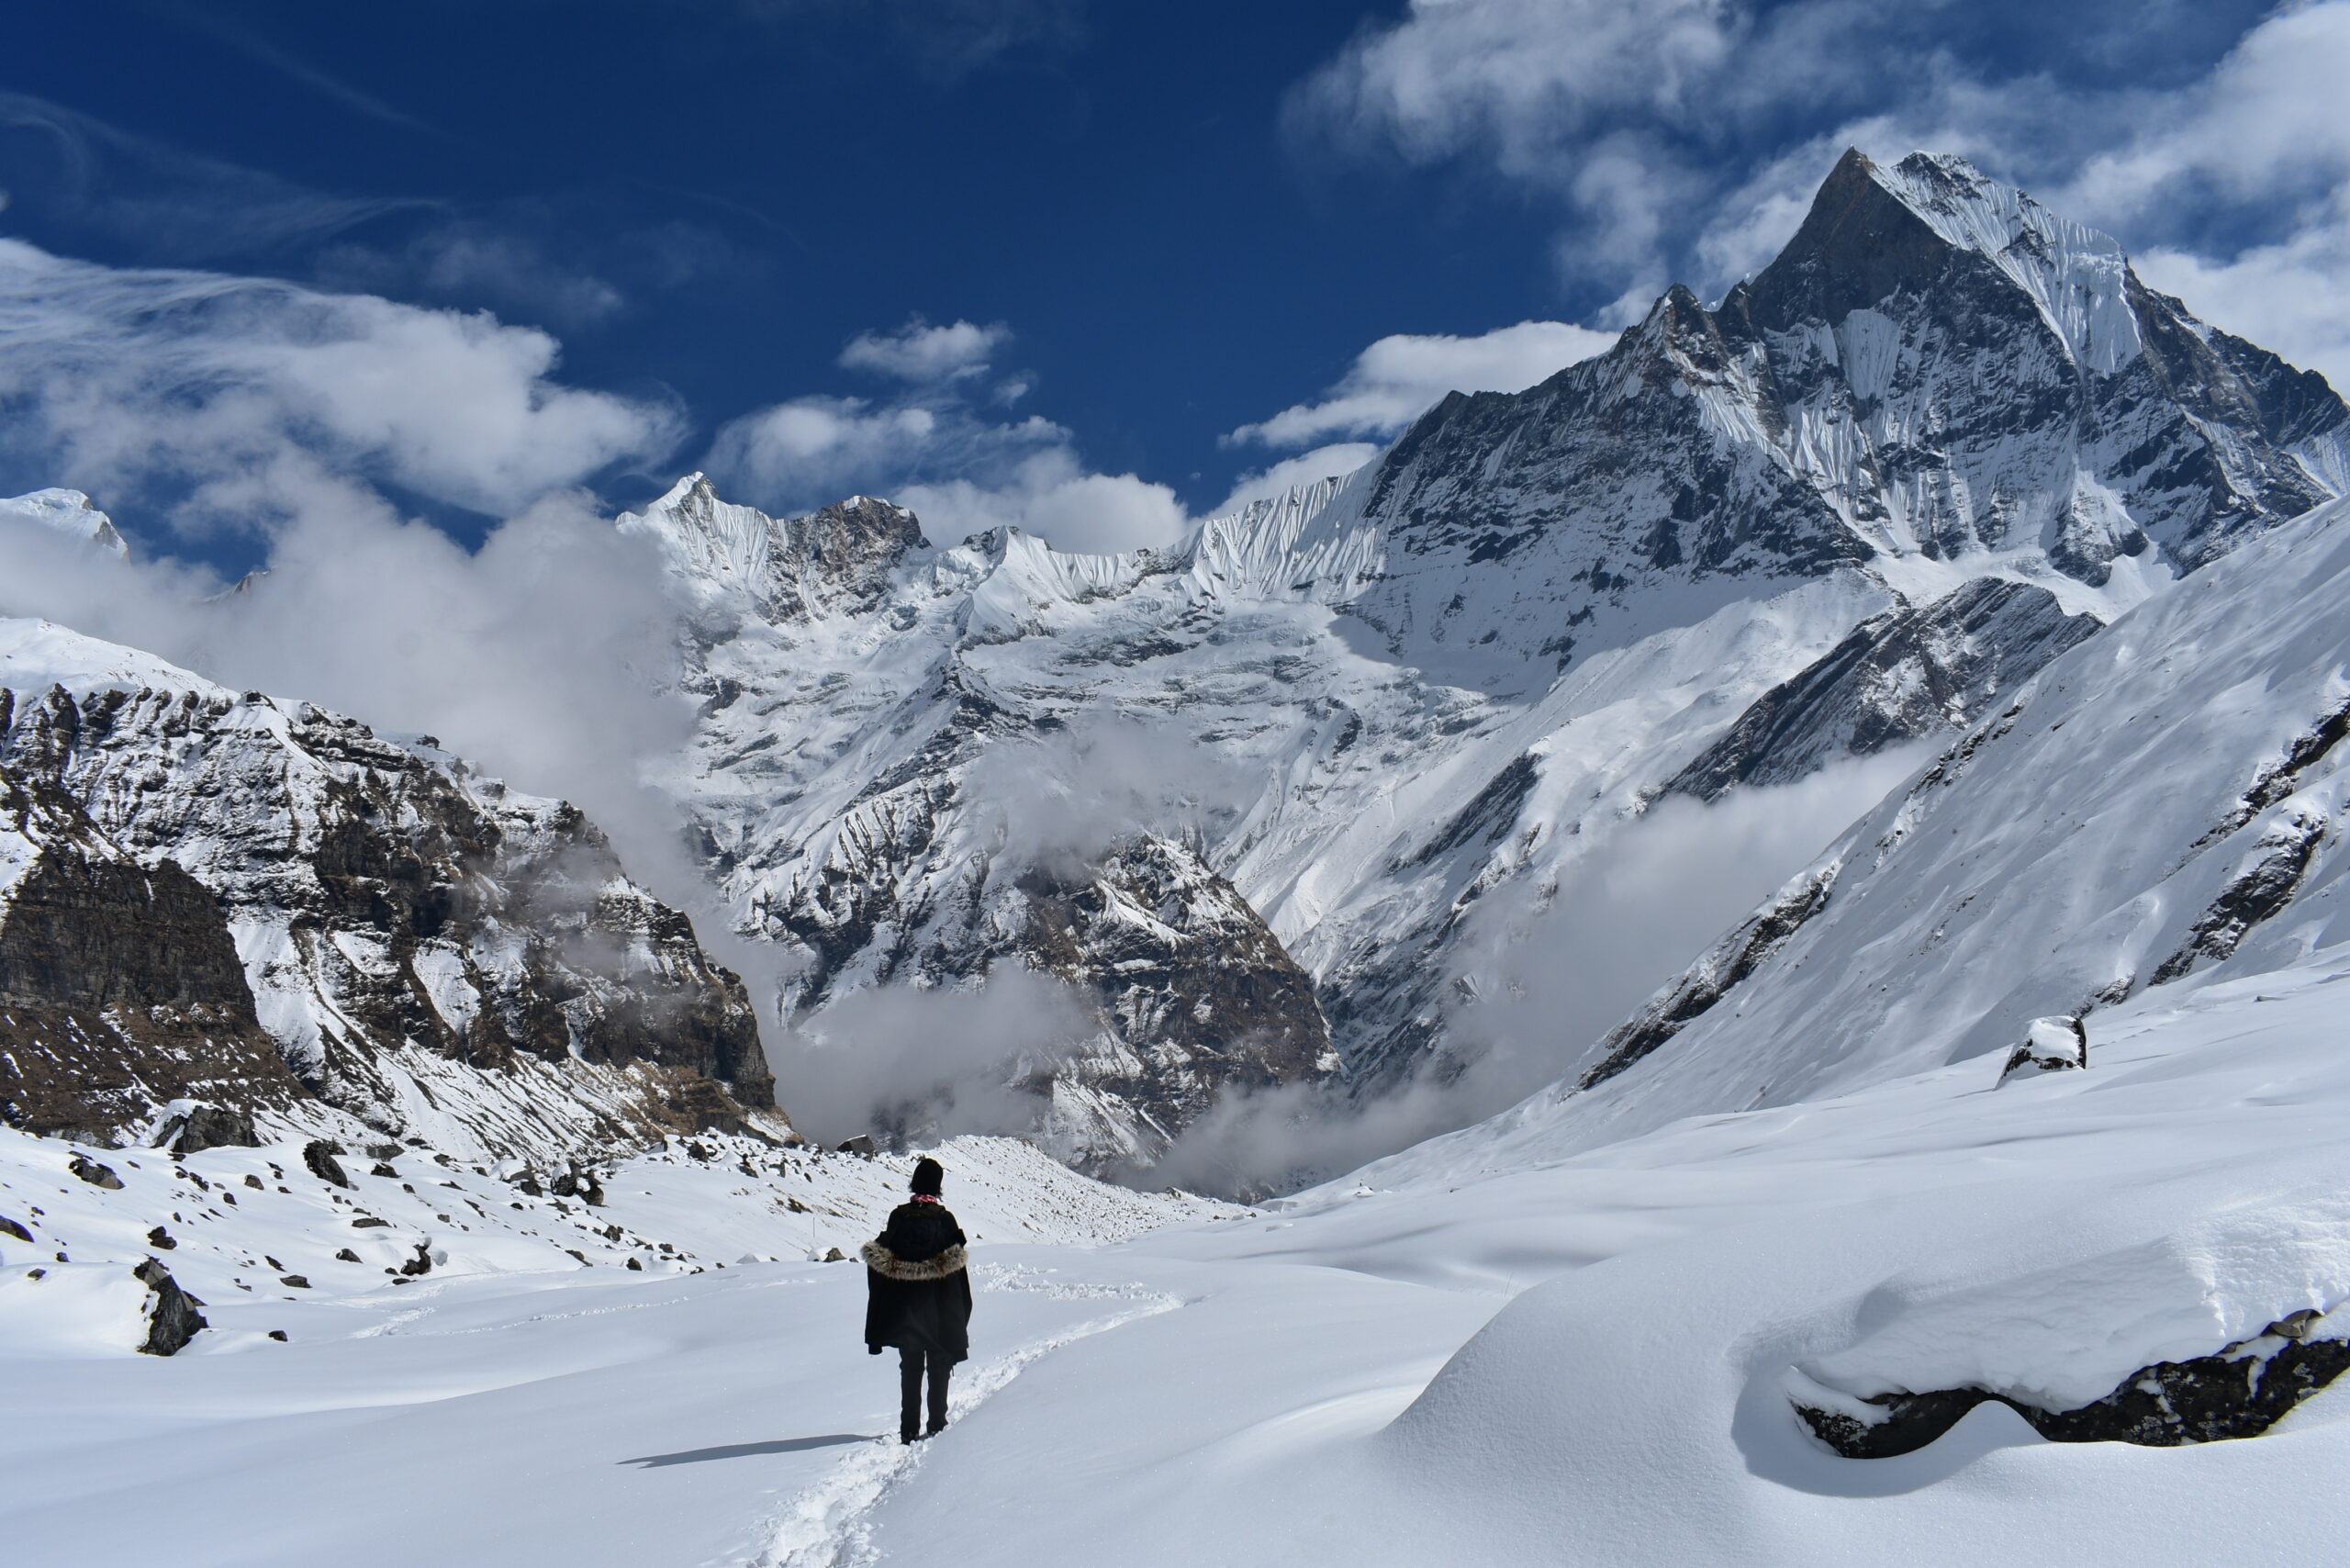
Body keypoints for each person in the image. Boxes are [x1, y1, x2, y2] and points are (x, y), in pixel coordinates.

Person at [862, 1156, 973, 1444]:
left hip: (905, 1310)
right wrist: (961, 1314)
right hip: (938, 1310)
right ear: (938, 1186)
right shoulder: (946, 1220)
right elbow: (957, 1271)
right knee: (939, 1366)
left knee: (910, 1368)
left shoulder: (898, 1217)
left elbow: (881, 1261)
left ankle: (908, 1429)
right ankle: (937, 1425)